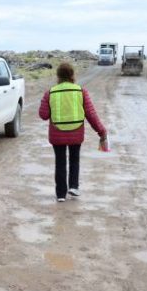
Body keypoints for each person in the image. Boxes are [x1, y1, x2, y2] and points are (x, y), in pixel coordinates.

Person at [38, 62, 107, 202]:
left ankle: (60, 194)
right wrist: (101, 131)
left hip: (57, 133)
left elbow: (43, 115)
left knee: (60, 162)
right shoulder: (81, 91)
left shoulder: (50, 92)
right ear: (72, 75)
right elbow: (91, 114)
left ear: (58, 76)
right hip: (76, 133)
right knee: (74, 160)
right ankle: (74, 186)